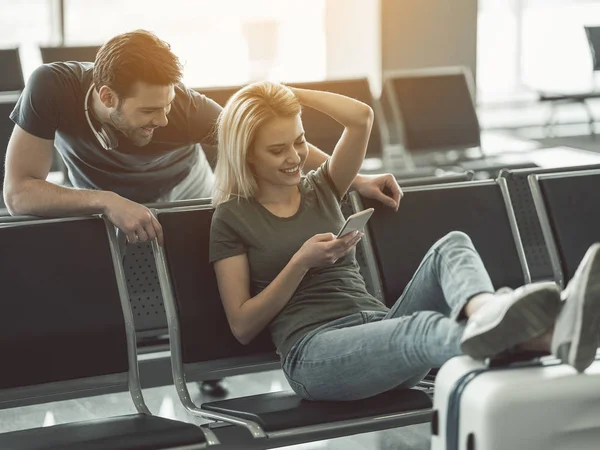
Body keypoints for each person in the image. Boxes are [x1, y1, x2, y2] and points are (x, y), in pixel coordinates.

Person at [2, 30, 402, 398]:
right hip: (104, 195)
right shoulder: (52, 87)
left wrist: (353, 178)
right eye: (148, 112)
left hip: (184, 191)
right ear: (107, 97)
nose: (162, 120)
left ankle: (205, 363)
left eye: (168, 105)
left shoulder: (185, 109)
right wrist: (106, 200)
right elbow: (19, 193)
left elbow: (271, 143)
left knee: (204, 272)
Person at [209, 81, 600, 402]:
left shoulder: (323, 187)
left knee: (453, 244)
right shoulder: (231, 218)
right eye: (277, 150)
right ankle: (549, 337)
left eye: (298, 141)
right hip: (314, 355)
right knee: (424, 328)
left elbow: (361, 118)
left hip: (381, 331)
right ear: (245, 155)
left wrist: (284, 93)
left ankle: (485, 312)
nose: (295, 156)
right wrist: (301, 262)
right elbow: (243, 325)